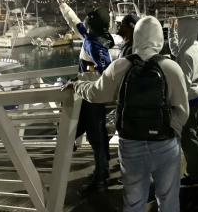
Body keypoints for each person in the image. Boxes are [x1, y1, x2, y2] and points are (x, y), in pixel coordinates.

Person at [67, 16, 189, 212]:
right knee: (168, 199)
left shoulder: (120, 66)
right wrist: (170, 131)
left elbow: (96, 94)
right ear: (159, 37)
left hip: (131, 142)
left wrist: (77, 85)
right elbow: (183, 111)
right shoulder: (171, 67)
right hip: (165, 144)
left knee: (133, 201)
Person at [57, 0, 114, 196]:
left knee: (96, 137)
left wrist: (82, 79)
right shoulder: (92, 36)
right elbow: (74, 23)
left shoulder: (95, 44)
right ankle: (102, 171)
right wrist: (63, 5)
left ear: (92, 25)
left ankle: (100, 178)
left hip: (92, 97)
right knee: (96, 136)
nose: (84, 22)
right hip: (88, 94)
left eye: (87, 20)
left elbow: (106, 73)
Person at [168, 17, 198, 187]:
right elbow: (176, 50)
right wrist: (171, 31)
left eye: (179, 29)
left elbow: (182, 83)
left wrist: (174, 103)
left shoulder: (186, 54)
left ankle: (195, 176)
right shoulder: (194, 45)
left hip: (189, 99)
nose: (178, 31)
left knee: (188, 136)